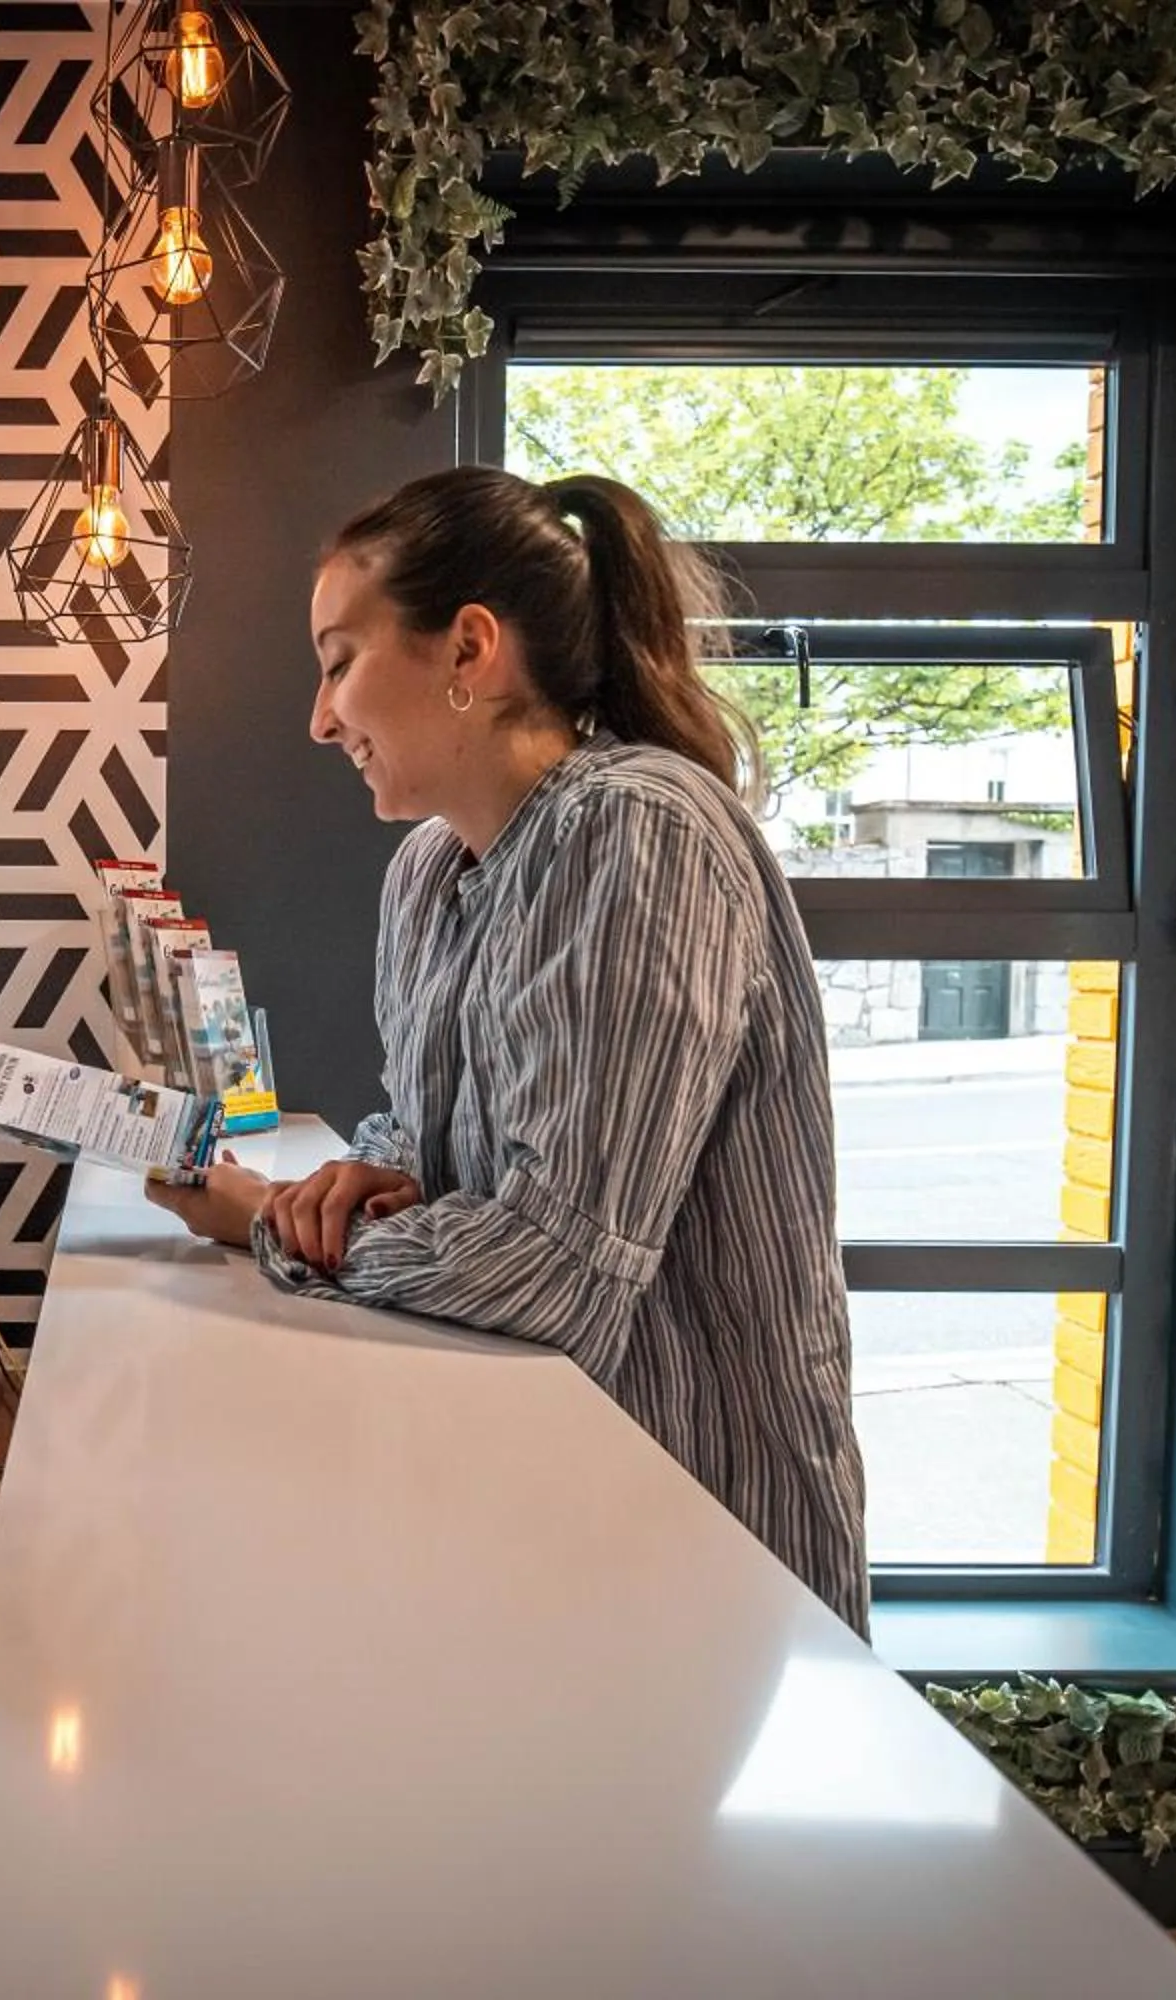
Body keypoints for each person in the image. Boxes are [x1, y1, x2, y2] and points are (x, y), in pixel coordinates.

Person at [150, 467, 870, 1632]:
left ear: (468, 650)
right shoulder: (430, 870)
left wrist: (276, 1229)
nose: (320, 717)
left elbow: (556, 1267)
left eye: (339, 660)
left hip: (693, 1544)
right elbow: (432, 1140)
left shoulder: (642, 833)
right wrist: (357, 1184)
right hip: (527, 1509)